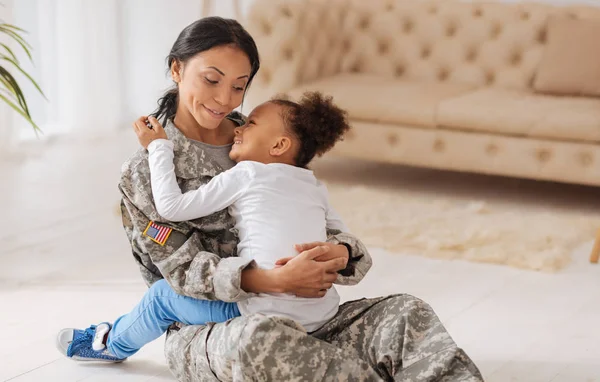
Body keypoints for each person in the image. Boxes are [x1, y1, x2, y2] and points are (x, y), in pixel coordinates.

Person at [58, 17, 483, 381]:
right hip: (218, 325)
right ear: (176, 69)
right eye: (211, 80)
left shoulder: (266, 137)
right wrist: (269, 281)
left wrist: (339, 252)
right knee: (260, 342)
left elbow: (318, 216)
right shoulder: (146, 170)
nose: (225, 100)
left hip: (314, 316)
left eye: (239, 86)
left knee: (407, 312)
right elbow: (177, 272)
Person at [56, 91, 357, 361]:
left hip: (264, 314)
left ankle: (111, 344)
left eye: (251, 124)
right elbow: (341, 239)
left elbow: (171, 208)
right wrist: (339, 252)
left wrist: (160, 148)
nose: (238, 127)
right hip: (322, 313)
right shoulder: (314, 185)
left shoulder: (247, 173)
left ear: (279, 145)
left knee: (161, 297)